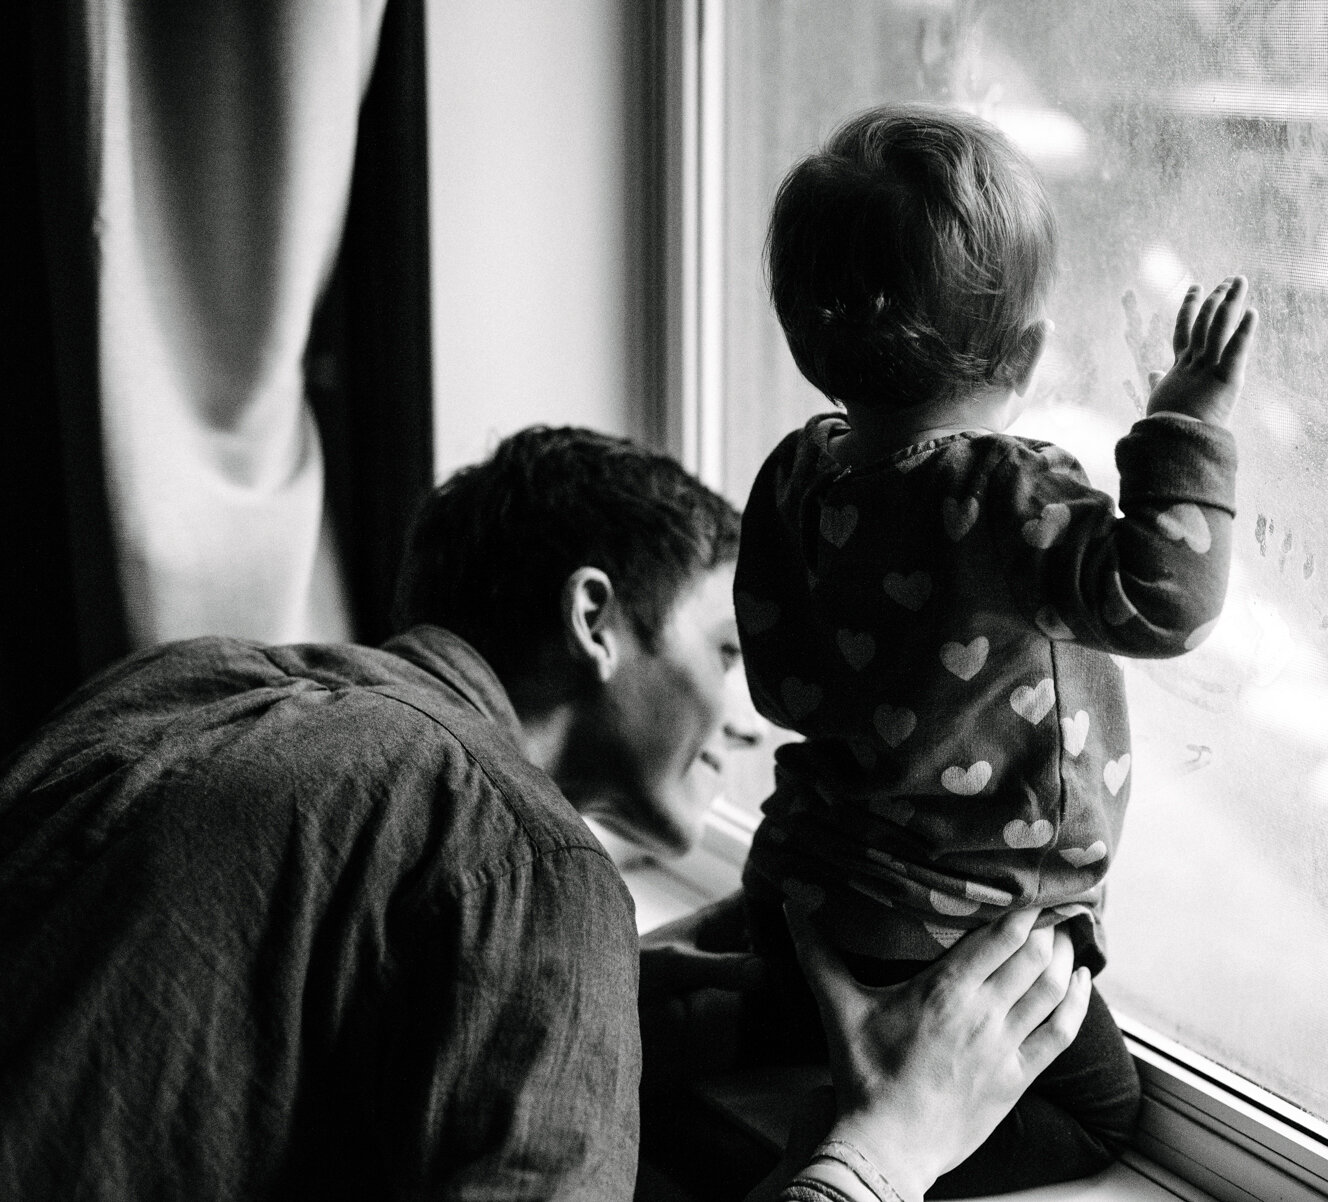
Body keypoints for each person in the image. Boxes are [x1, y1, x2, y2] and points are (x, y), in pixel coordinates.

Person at [0, 425, 1089, 1202]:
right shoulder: (530, 866)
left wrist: (606, 992)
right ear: (595, 618)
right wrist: (883, 1152)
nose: (759, 723)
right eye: (725, 650)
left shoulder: (173, 687)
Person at [731, 104, 1258, 1196]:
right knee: (1099, 1111)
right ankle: (854, 1139)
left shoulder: (797, 473)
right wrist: (1190, 415)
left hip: (805, 888)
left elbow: (780, 680)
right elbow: (1168, 598)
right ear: (1028, 345)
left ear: (812, 339)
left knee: (771, 1005)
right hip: (961, 932)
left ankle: (726, 1022)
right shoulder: (1006, 496)